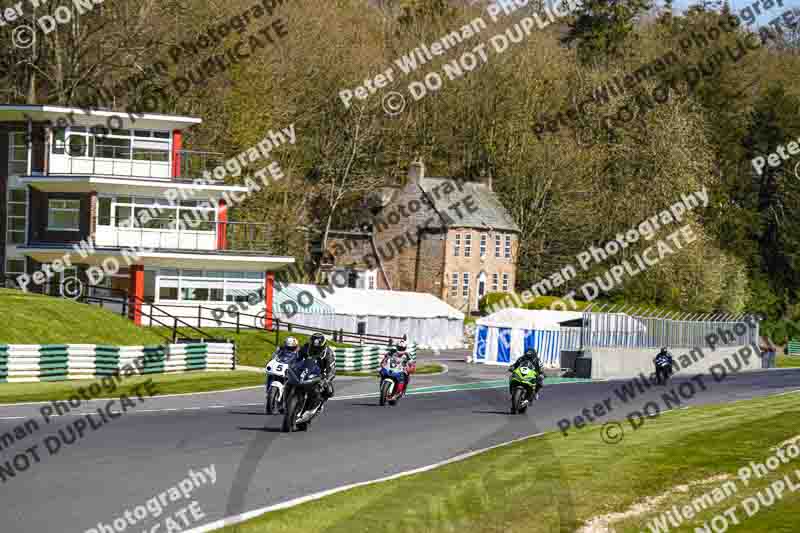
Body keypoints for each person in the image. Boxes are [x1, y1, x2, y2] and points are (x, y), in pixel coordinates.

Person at [298, 332, 336, 401]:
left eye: (318, 348)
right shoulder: (305, 347)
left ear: (323, 346)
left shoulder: (328, 353)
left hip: (320, 374)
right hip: (304, 369)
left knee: (329, 391)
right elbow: (297, 357)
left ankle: (320, 403)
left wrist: (325, 380)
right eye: (313, 347)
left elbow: (332, 370)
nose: (315, 350)